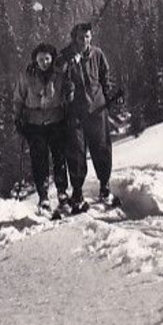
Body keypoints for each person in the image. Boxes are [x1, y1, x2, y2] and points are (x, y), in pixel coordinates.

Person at [59, 22, 120, 212]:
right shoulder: (65, 55)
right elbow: (57, 72)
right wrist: (69, 63)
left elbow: (105, 78)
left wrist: (110, 97)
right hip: (75, 113)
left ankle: (104, 187)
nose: (84, 40)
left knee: (102, 148)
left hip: (97, 109)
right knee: (76, 153)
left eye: (87, 37)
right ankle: (77, 193)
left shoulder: (97, 54)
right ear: (73, 38)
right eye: (80, 37)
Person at [13, 42, 71, 213]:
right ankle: (43, 197)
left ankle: (62, 193)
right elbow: (18, 98)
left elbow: (67, 94)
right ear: (35, 61)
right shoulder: (27, 76)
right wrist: (17, 119)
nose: (44, 62)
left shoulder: (60, 74)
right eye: (40, 59)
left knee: (59, 159)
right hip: (35, 124)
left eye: (47, 59)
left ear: (52, 59)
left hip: (56, 121)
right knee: (39, 161)